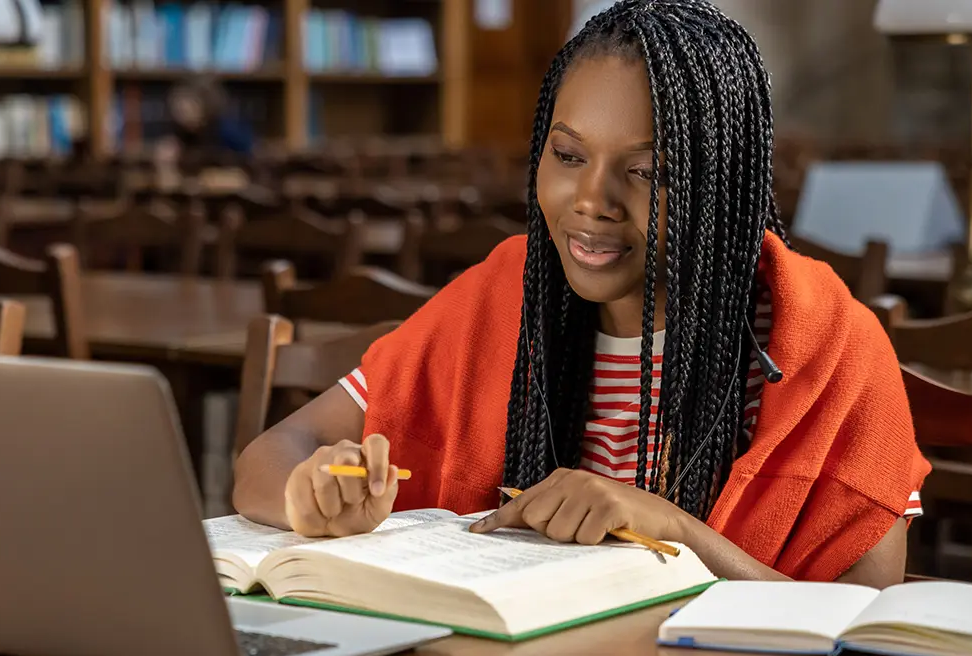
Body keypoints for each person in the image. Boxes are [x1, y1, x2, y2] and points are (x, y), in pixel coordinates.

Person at [233, 0, 930, 588]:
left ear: (723, 192)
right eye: (568, 157)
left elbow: (865, 630)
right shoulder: (501, 296)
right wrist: (308, 495)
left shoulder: (829, 349)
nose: (591, 201)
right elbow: (272, 451)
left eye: (647, 172)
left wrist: (673, 530)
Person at [157, 75, 254, 164]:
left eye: (186, 109)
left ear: (204, 105)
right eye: (176, 109)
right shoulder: (181, 133)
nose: (180, 116)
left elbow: (251, 155)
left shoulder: (227, 129)